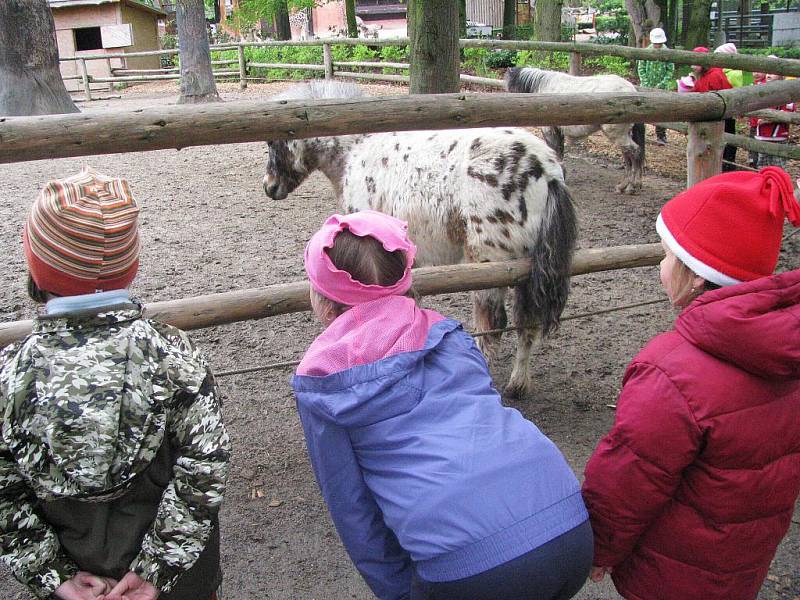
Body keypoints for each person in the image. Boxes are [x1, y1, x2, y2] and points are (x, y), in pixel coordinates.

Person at [292, 211, 592, 600]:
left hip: (472, 569)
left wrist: (401, 592)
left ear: (323, 300)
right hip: (568, 524)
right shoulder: (448, 334)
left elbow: (352, 508)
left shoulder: (322, 384)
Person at [0, 168, 231, 600]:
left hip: (77, 577)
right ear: (133, 264)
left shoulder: (9, 372)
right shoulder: (173, 354)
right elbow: (204, 468)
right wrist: (157, 568)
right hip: (179, 584)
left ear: (35, 261)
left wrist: (53, 574)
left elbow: (4, 492)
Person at [582, 167, 800, 600]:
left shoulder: (671, 373)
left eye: (667, 256)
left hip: (670, 575)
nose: (661, 266)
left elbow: (629, 478)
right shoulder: (787, 348)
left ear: (696, 273)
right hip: (742, 563)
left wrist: (599, 549)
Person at [690, 46, 738, 170]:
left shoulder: (714, 75)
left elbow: (715, 98)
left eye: (696, 63)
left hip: (722, 116)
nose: (693, 66)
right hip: (711, 116)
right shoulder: (702, 75)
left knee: (725, 143)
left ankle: (726, 167)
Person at [752, 61, 796, 170]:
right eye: (767, 72)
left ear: (781, 76)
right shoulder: (761, 91)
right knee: (762, 164)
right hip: (761, 135)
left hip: (778, 136)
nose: (769, 75)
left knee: (778, 165)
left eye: (773, 73)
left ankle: (778, 184)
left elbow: (788, 113)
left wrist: (769, 119)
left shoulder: (787, 94)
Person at [637, 27, 675, 145]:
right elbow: (641, 68)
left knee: (661, 111)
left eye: (659, 43)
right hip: (646, 85)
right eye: (656, 43)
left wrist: (663, 83)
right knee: (642, 109)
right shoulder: (646, 51)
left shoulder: (668, 52)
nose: (657, 45)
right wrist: (645, 82)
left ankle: (661, 135)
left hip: (662, 86)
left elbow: (670, 70)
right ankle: (639, 133)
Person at [748, 69, 768, 167]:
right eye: (754, 71)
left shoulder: (767, 85)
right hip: (754, 120)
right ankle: (752, 159)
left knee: (759, 142)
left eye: (759, 71)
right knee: (752, 139)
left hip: (762, 122)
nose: (756, 73)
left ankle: (757, 162)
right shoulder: (753, 84)